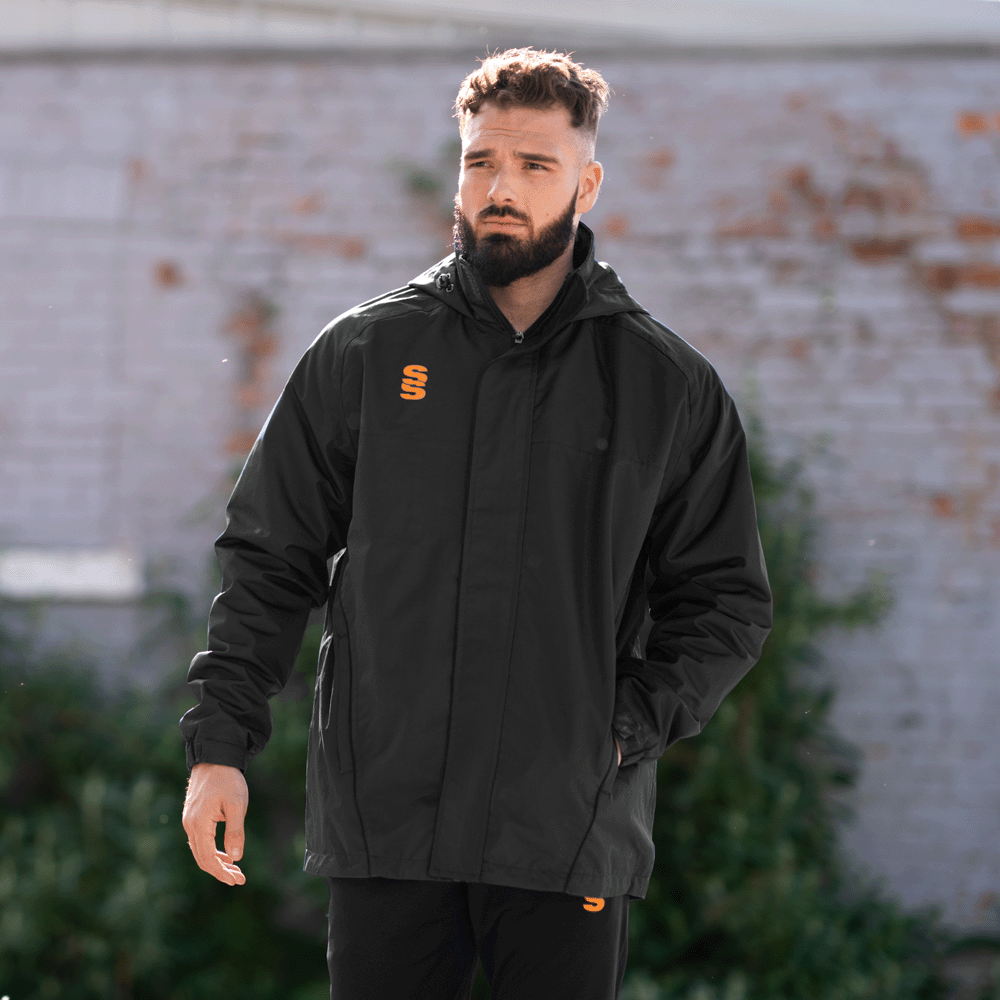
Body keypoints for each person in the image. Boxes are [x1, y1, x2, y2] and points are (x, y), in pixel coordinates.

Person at [180, 46, 773, 1000]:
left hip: (565, 834)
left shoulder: (663, 386)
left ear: (586, 185)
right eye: (481, 162)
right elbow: (267, 557)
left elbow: (726, 602)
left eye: (535, 165)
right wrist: (220, 745)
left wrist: (616, 733)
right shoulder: (367, 353)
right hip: (388, 825)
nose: (501, 188)